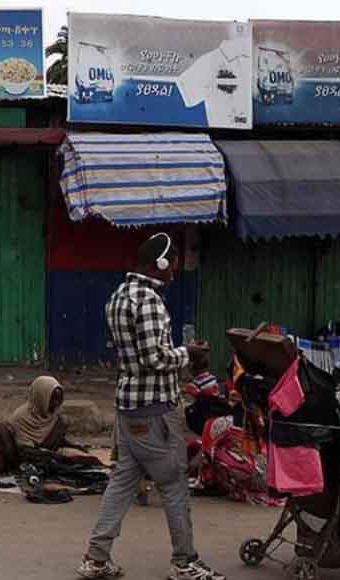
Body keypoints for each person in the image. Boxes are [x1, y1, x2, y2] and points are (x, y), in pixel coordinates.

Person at [78, 233, 222, 580]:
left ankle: (96, 558)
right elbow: (154, 358)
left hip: (128, 404)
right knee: (173, 483)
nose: (175, 270)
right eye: (172, 263)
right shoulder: (149, 301)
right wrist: (190, 354)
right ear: (160, 265)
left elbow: (134, 355)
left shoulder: (117, 297)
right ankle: (184, 563)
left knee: (123, 480)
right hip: (154, 406)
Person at [0, 375, 71, 473]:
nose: (55, 404)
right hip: (20, 456)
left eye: (58, 399)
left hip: (42, 454)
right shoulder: (21, 416)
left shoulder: (55, 417)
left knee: (64, 421)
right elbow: (21, 448)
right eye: (52, 399)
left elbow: (59, 441)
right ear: (40, 397)